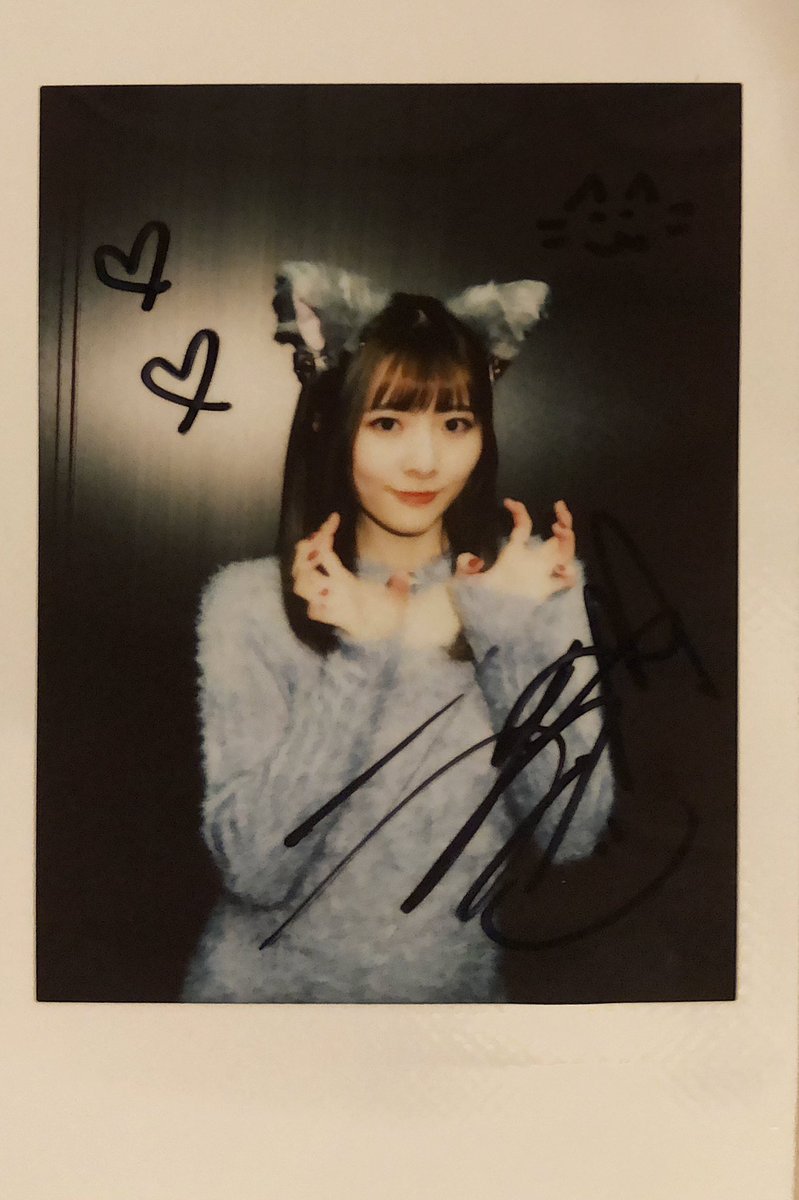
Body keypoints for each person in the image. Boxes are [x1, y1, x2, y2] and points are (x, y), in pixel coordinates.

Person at [181, 262, 614, 1003]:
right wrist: (363, 657)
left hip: (449, 1027)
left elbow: (571, 835)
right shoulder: (250, 602)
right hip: (257, 1022)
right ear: (329, 423)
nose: (425, 460)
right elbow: (253, 868)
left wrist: (504, 631)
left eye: (455, 423)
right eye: (387, 423)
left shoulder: (529, 585)